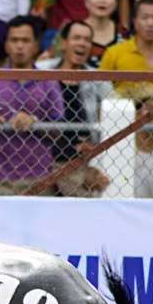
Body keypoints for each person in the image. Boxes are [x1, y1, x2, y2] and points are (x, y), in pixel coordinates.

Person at [0, 16, 64, 196]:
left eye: (25, 40)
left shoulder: (49, 81)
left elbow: (59, 128)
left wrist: (34, 122)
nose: (20, 46)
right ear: (6, 45)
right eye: (14, 40)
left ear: (36, 46)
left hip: (38, 176)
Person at [35, 20, 111, 196]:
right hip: (40, 157)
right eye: (76, 38)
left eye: (87, 40)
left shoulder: (99, 80)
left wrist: (95, 153)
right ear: (64, 43)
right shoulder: (41, 71)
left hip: (78, 162)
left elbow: (116, 114)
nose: (82, 43)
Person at [101, 0, 153, 197]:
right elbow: (102, 97)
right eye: (145, 17)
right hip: (126, 138)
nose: (151, 23)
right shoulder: (115, 53)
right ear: (134, 20)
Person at [81, 0, 130, 67]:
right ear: (86, 2)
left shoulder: (124, 33)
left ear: (116, 3)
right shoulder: (73, 30)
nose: (102, 0)